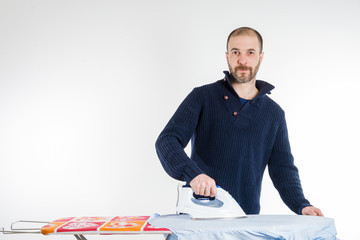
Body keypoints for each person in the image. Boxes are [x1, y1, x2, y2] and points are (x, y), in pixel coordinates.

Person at [155, 27, 323, 216]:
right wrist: (193, 174)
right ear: (227, 57)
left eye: (250, 53)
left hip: (246, 220)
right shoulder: (202, 97)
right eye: (236, 52)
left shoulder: (274, 114)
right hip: (199, 216)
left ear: (260, 57)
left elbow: (283, 169)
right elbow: (167, 140)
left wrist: (301, 205)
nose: (242, 60)